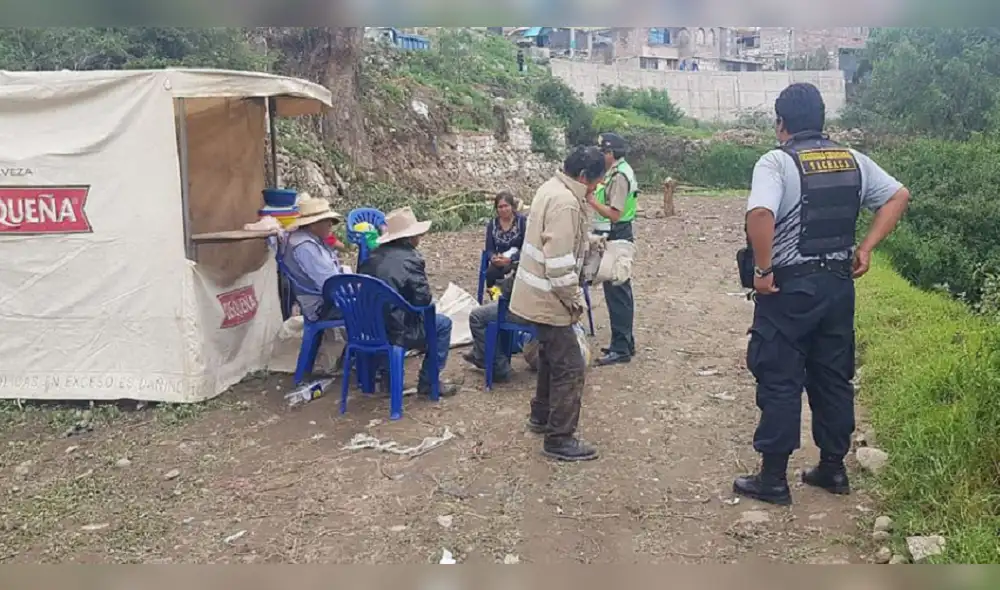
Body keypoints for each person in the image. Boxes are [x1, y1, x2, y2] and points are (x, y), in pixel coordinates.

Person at [733, 82, 911, 506]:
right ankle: (833, 468)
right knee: (833, 377)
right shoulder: (853, 160)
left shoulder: (776, 162)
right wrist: (865, 248)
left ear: (781, 124)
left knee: (779, 374)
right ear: (822, 121)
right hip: (837, 286)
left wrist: (762, 270)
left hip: (788, 288)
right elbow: (898, 195)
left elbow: (760, 213)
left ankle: (773, 479)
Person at [509, 145, 607, 462]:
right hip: (549, 298)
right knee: (571, 366)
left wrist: (588, 241)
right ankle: (560, 437)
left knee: (551, 357)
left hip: (533, 293)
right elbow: (560, 264)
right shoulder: (566, 203)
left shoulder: (551, 188)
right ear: (582, 176)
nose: (595, 188)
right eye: (595, 181)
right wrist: (576, 303)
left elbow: (551, 239)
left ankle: (540, 416)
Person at [359, 206, 459, 397]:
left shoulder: (371, 256)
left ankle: (388, 379)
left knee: (387, 312)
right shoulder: (412, 258)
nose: (419, 238)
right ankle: (429, 382)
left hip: (366, 328)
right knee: (442, 325)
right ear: (409, 237)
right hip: (397, 330)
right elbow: (423, 300)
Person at [588, 132, 638, 366]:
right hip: (615, 236)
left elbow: (615, 213)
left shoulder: (619, 176)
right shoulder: (618, 172)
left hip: (617, 236)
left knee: (617, 291)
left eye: (603, 153)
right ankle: (625, 342)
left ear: (611, 153)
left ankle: (621, 347)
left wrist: (590, 200)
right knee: (619, 290)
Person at [281, 196, 345, 322]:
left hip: (325, 299)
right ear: (313, 224)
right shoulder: (305, 246)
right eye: (326, 221)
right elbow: (329, 285)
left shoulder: (309, 239)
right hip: (320, 306)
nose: (330, 225)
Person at [463, 268, 523, 382]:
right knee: (492, 307)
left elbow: (508, 290)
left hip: (525, 311)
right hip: (544, 308)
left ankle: (498, 367)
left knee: (477, 316)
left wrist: (498, 280)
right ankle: (479, 354)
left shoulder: (530, 258)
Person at [484, 190, 527, 290]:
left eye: (506, 206)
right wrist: (494, 258)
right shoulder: (493, 225)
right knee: (491, 274)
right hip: (500, 260)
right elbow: (489, 249)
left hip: (518, 260)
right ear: (496, 209)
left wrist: (511, 259)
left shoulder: (521, 222)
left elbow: (527, 247)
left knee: (516, 276)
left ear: (512, 207)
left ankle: (512, 301)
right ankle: (497, 300)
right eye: (500, 207)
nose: (503, 209)